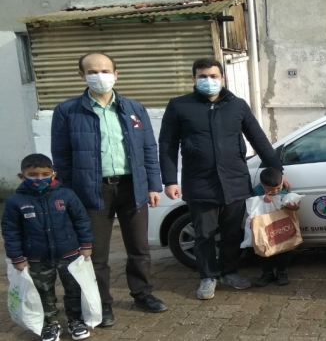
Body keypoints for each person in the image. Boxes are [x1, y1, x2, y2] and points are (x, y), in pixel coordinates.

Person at [51, 53, 167, 327]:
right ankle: (101, 304)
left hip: (133, 186)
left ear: (116, 73)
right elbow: (62, 157)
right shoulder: (67, 111)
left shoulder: (134, 108)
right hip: (92, 191)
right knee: (96, 253)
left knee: (139, 248)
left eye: (105, 70)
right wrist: (67, 195)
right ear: (81, 76)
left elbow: (149, 149)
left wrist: (153, 185)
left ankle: (142, 294)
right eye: (92, 71)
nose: (99, 76)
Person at [158, 58, 289, 299]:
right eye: (202, 76)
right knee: (204, 234)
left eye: (213, 76)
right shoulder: (179, 106)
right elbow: (167, 144)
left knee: (232, 233)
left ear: (222, 79)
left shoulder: (237, 105)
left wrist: (277, 169)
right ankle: (208, 277)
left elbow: (258, 138)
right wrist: (169, 180)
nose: (208, 81)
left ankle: (230, 271)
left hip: (235, 180)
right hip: (199, 182)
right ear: (194, 79)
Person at [1, 154, 94, 341]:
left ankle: (75, 320)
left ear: (53, 174)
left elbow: (81, 220)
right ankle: (51, 324)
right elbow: (10, 231)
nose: (39, 179)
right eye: (33, 175)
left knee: (74, 288)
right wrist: (17, 257)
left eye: (45, 174)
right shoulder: (15, 202)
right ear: (22, 176)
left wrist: (86, 245)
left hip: (69, 254)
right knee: (43, 291)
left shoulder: (66, 195)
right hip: (37, 258)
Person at [252, 167, 300, 287]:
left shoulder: (284, 190)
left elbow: (289, 205)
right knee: (263, 248)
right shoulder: (256, 192)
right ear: (262, 185)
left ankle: (281, 271)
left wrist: (293, 207)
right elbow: (251, 209)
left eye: (278, 188)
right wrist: (263, 201)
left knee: (284, 248)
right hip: (264, 227)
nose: (275, 192)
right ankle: (267, 272)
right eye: (269, 189)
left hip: (281, 225)